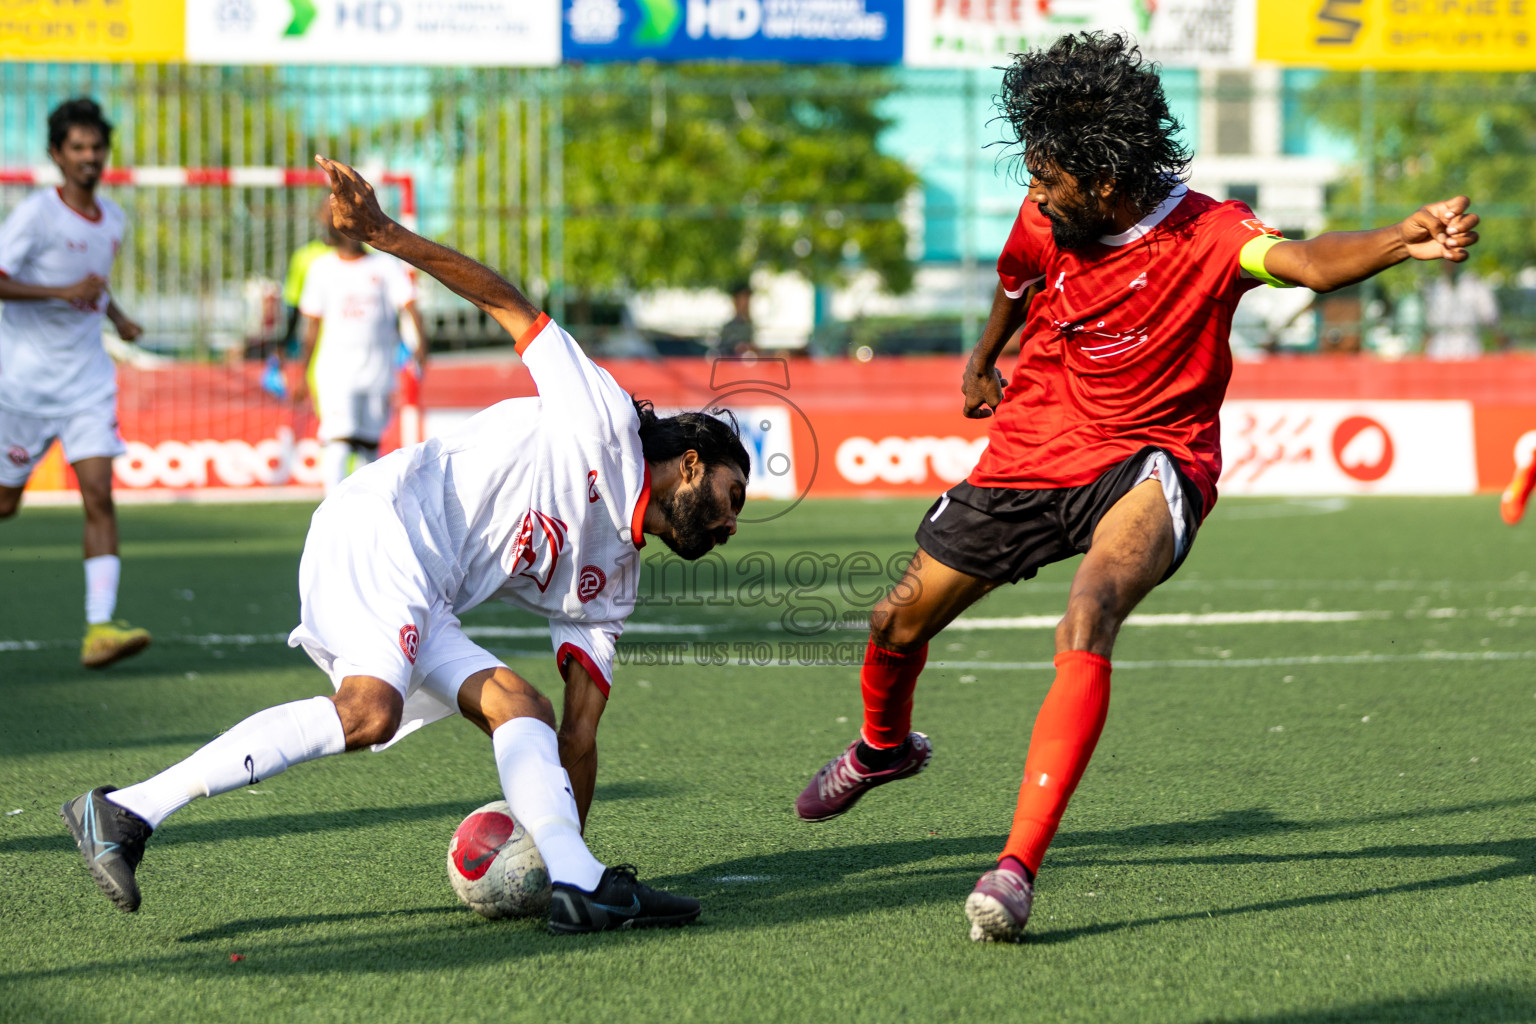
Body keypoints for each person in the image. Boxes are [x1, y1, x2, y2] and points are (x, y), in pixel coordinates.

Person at [792, 32, 1480, 944]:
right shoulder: (1048, 213)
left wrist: (1402, 236)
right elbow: (1014, 280)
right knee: (894, 623)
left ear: (1107, 183)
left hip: (1153, 458)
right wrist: (982, 358)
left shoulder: (1214, 235)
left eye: (1050, 180)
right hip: (1034, 447)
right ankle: (883, 751)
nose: (1034, 194)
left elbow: (1308, 262)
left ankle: (1015, 868)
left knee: (1089, 612)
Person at [62, 156, 752, 935]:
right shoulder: (604, 416)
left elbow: (579, 736)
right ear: (690, 462)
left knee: (518, 706)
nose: (728, 526)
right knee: (369, 713)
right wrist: (384, 234)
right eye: (731, 499)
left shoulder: (614, 582)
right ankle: (125, 812)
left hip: (427, 587)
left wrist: (566, 849)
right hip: (382, 523)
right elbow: (508, 303)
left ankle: (580, 883)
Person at [0, 97, 150, 669]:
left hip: (87, 383)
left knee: (99, 495)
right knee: (7, 504)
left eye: (97, 148)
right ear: (57, 155)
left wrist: (117, 317)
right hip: (24, 389)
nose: (90, 158)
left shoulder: (113, 218)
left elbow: (95, 284)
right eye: (78, 148)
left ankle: (100, 628)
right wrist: (58, 294)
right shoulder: (36, 215)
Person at [290, 208, 428, 493]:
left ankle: (361, 519)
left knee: (369, 446)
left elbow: (409, 306)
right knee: (338, 440)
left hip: (377, 371)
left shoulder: (385, 267)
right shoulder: (321, 268)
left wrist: (421, 345)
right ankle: (332, 514)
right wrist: (302, 373)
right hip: (336, 372)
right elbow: (311, 327)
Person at [1422, 262, 1502, 360]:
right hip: (1440, 347)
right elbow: (1430, 323)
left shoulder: (1474, 285)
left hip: (1468, 345)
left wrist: (1498, 335)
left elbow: (1490, 315)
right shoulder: (1435, 288)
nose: (1449, 265)